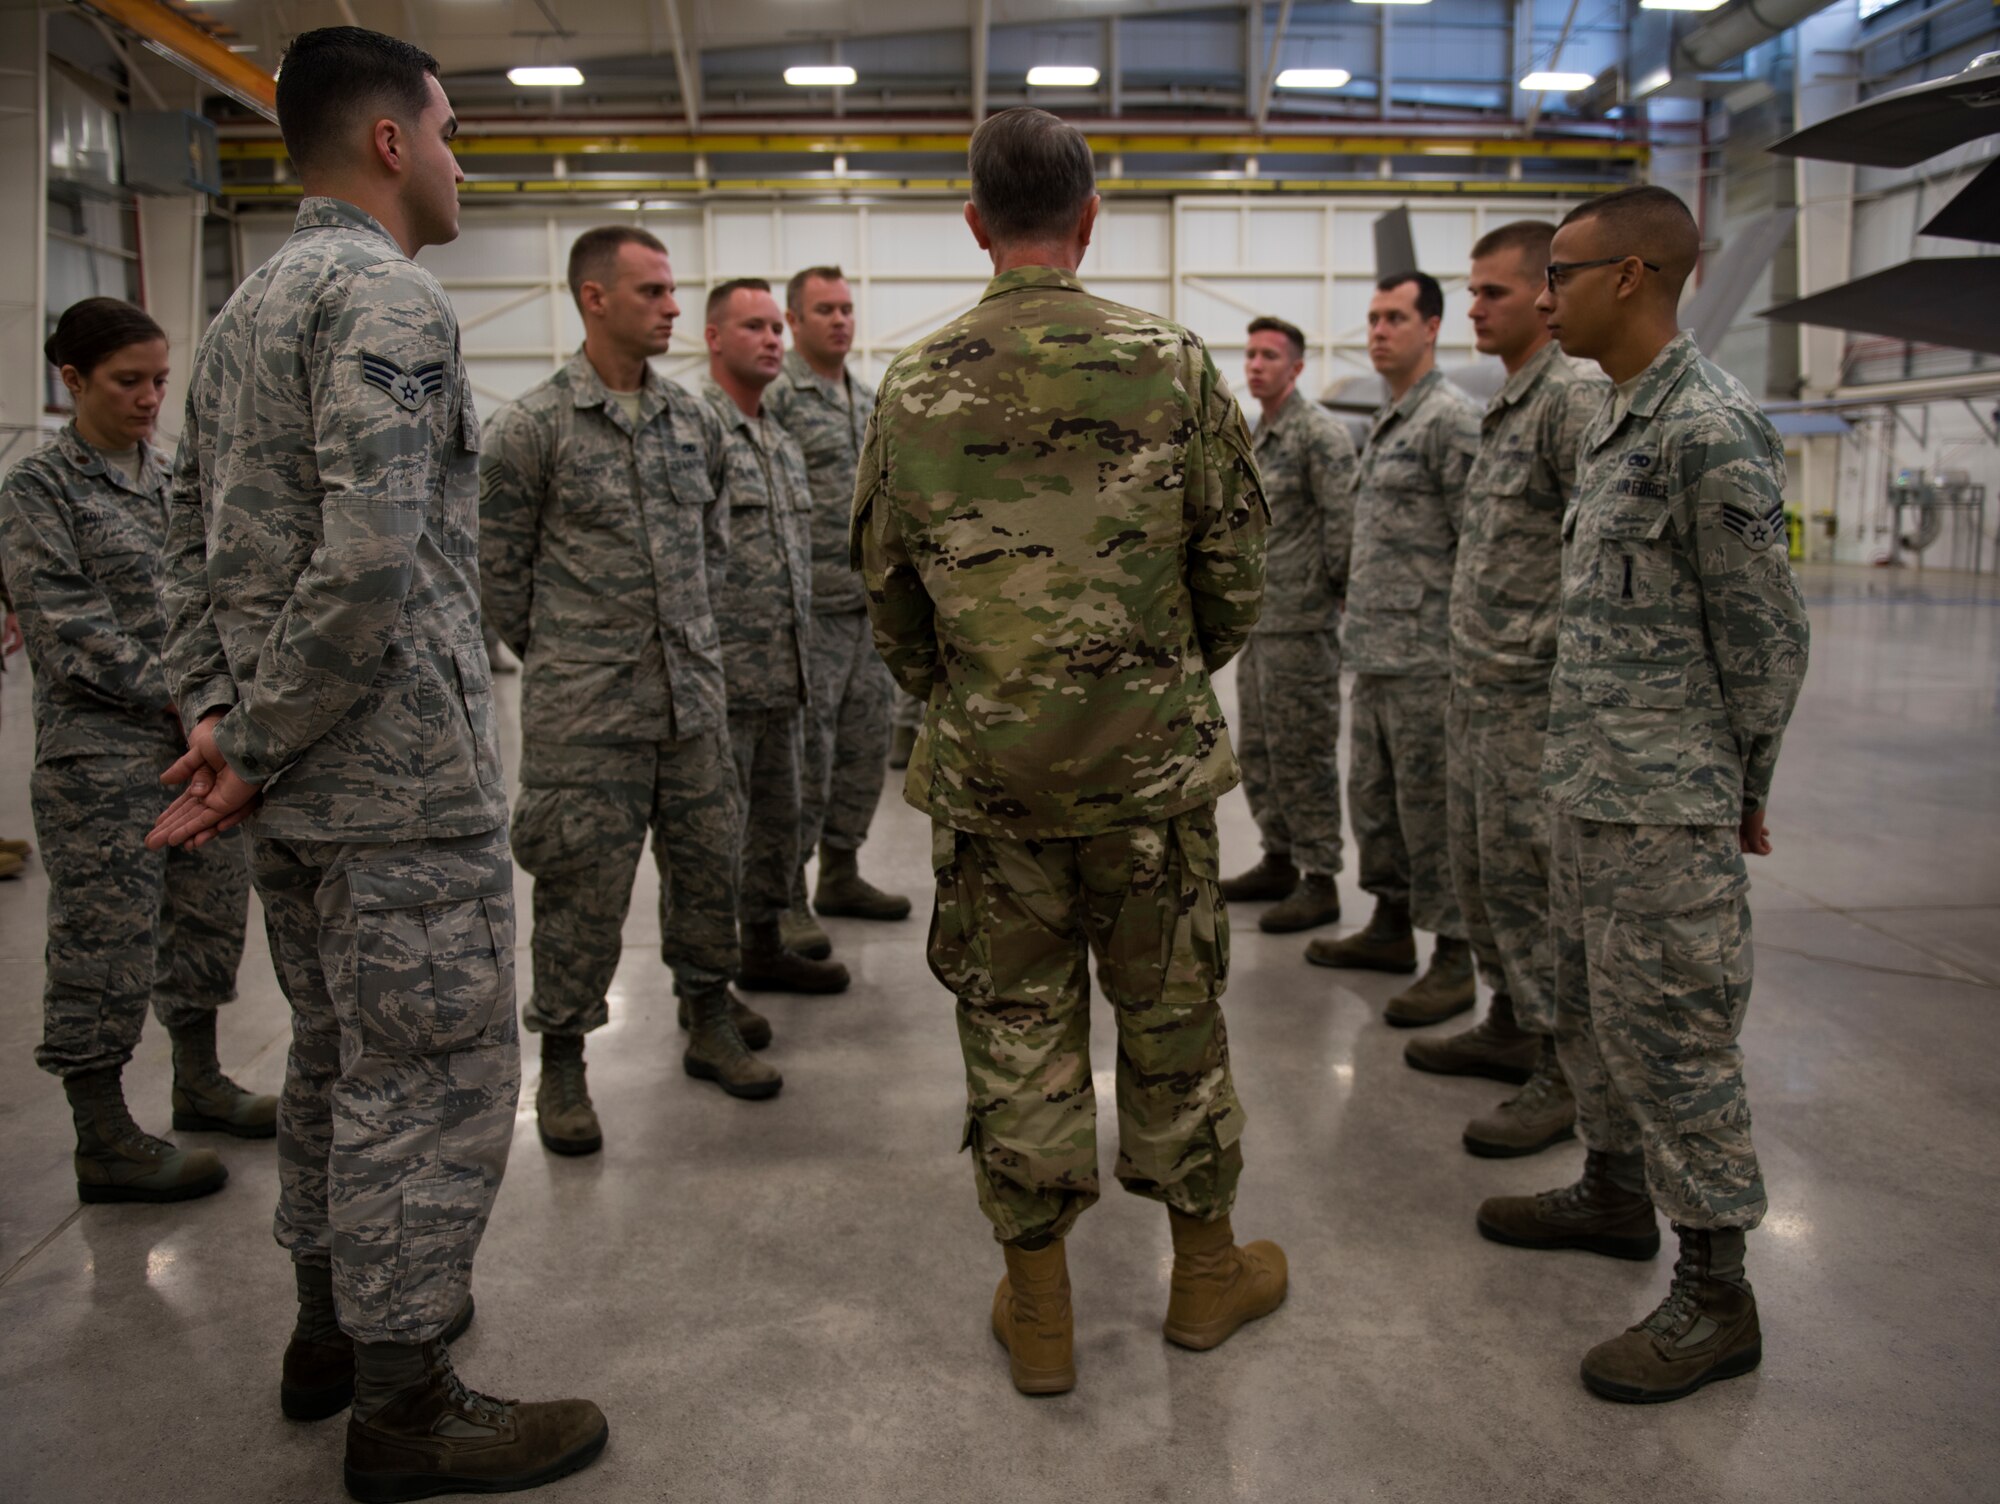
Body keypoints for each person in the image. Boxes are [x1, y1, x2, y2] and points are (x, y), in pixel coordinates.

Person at [147, 27, 606, 1496]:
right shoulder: (386, 302)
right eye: (454, 131)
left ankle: (328, 1336)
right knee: (431, 1078)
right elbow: (368, 560)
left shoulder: (240, 315)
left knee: (340, 1067)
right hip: (395, 787)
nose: (465, 161)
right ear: (393, 144)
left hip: (300, 792)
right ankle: (405, 1402)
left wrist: (222, 723)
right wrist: (259, 735)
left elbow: (179, 538)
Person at [856, 107, 1286, 1397]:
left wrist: (984, 690)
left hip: (993, 785)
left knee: (1015, 1028)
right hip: (1147, 780)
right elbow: (1236, 571)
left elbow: (885, 590)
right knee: (1172, 1016)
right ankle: (1203, 1279)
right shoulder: (1171, 362)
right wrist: (1147, 680)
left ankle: (1039, 1312)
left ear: (975, 223)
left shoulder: (915, 382)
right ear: (1088, 219)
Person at [1475, 185, 1809, 1404]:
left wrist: (1741, 783)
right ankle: (1613, 1192)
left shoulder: (1707, 427)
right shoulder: (1619, 420)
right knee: (1592, 1015)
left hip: (1664, 806)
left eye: (1559, 272)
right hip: (1589, 783)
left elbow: (1765, 634)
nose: (1546, 293)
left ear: (1629, 276)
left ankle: (1716, 1295)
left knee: (1676, 1041)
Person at [480, 225, 779, 1127]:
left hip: (692, 706)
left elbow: (715, 549)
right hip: (586, 718)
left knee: (707, 873)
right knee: (580, 892)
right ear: (594, 298)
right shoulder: (531, 429)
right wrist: (575, 656)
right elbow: (497, 574)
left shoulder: (694, 424)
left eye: (672, 290)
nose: (674, 308)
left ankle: (707, 1015)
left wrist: (681, 646)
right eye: (651, 291)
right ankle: (565, 1060)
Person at [0, 297, 268, 1206]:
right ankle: (102, 1133)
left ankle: (198, 1080)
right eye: (128, 381)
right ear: (71, 380)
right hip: (101, 759)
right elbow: (68, 628)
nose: (152, 397)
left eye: (160, 378)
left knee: (207, 916)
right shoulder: (38, 493)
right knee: (105, 941)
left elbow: (216, 594)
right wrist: (194, 699)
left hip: (198, 746)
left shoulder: (173, 481)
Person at [1404, 222, 1604, 1160]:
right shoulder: (1510, 402)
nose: (1474, 308)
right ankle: (1511, 1022)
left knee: (1533, 886)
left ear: (1545, 296)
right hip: (1479, 689)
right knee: (1484, 879)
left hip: (1533, 700)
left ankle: (1563, 1071)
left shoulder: (1572, 400)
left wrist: (1540, 659)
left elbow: (1598, 566)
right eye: (1473, 292)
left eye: (1491, 292)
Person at [1305, 272, 1480, 1026]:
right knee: (1376, 804)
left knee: (1431, 812)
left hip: (1428, 661)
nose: (1379, 331)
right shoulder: (1390, 421)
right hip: (1374, 654)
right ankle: (1388, 925)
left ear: (1432, 327)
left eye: (1396, 318)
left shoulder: (1450, 419)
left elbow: (1479, 545)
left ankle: (1453, 957)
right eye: (1373, 318)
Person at [700, 278, 851, 999]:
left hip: (787, 671)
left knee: (777, 828)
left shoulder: (780, 444)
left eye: (773, 329)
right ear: (713, 337)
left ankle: (762, 948)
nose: (771, 341)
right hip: (723, 679)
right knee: (710, 844)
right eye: (754, 327)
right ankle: (705, 994)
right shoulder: (696, 431)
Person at [766, 265, 909, 957]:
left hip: (867, 611)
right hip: (808, 614)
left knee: (862, 750)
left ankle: (842, 870)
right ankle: (790, 891)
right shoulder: (778, 397)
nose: (840, 320)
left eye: (847, 308)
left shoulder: (868, 398)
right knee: (806, 759)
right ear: (794, 320)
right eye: (824, 309)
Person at [1218, 315, 1357, 934]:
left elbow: (1343, 527)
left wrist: (1330, 599)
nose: (1256, 365)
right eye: (1250, 355)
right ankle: (1278, 858)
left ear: (1296, 368)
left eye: (1269, 356)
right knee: (1262, 751)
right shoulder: (1257, 437)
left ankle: (1320, 878)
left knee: (1304, 754)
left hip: (1302, 628)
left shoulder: (1317, 435)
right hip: (1262, 625)